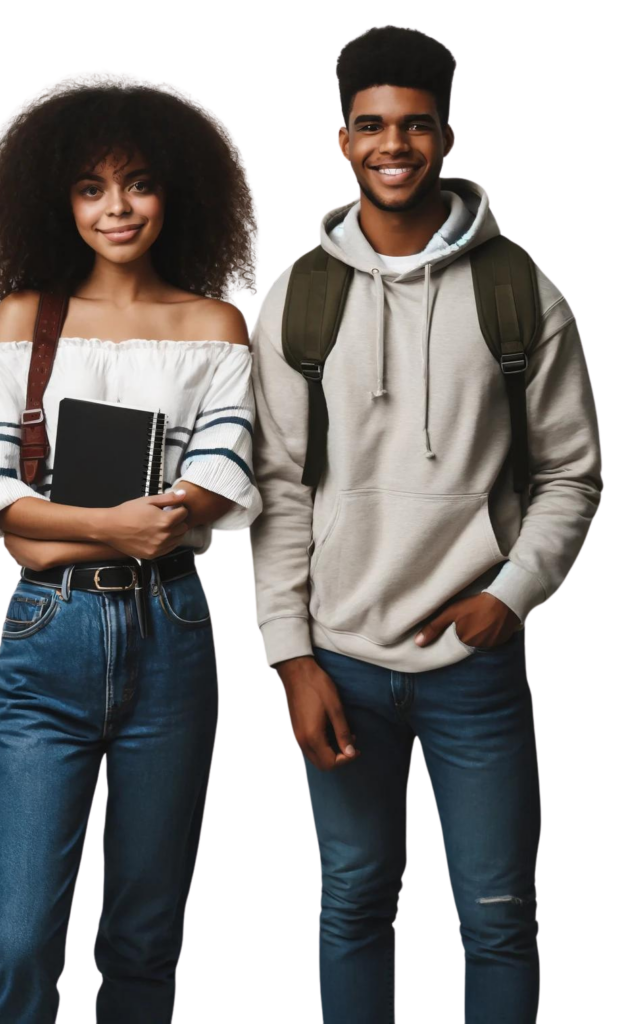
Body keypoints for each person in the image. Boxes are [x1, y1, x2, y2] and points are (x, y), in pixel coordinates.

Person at [248, 24, 602, 1024]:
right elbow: (274, 491)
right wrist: (290, 659)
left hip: (473, 671)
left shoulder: (517, 291)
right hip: (340, 664)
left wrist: (510, 591)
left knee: (495, 918)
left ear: (446, 136)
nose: (390, 145)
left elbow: (571, 472)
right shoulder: (295, 301)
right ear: (340, 140)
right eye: (369, 126)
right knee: (352, 905)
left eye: (412, 125)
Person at [0, 85, 262, 1023]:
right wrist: (113, 527)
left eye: (137, 185)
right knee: (16, 940)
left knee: (143, 940)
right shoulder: (23, 320)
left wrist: (51, 528)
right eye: (92, 189)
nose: (117, 208)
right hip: (46, 640)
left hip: (172, 635)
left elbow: (219, 474)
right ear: (61, 201)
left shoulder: (216, 325)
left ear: (176, 197)